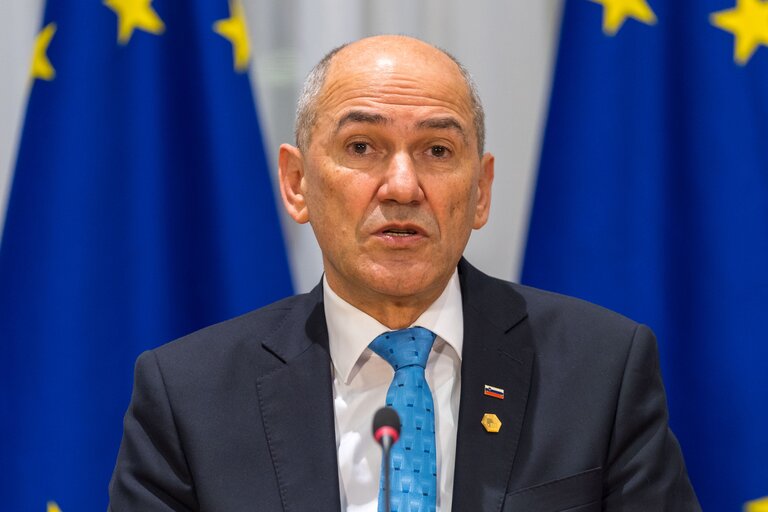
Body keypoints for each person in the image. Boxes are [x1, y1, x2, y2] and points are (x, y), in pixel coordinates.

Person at [108, 35, 700, 511]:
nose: (401, 186)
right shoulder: (189, 394)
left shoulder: (601, 369)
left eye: (437, 151)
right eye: (362, 146)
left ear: (481, 191)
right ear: (297, 184)